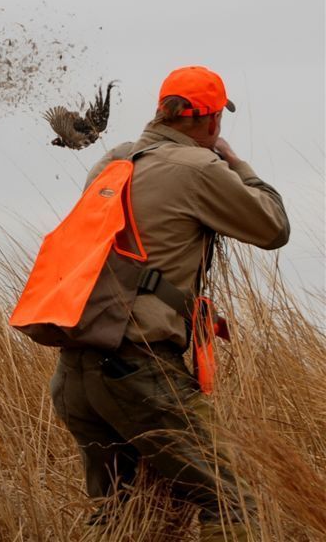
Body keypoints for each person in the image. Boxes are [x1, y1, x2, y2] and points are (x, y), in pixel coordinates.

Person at [48, 66, 290, 541]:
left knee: (116, 513)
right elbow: (273, 227)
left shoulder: (113, 161)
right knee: (229, 502)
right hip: (138, 369)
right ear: (212, 121)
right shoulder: (200, 168)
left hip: (76, 370)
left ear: (162, 110)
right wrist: (236, 163)